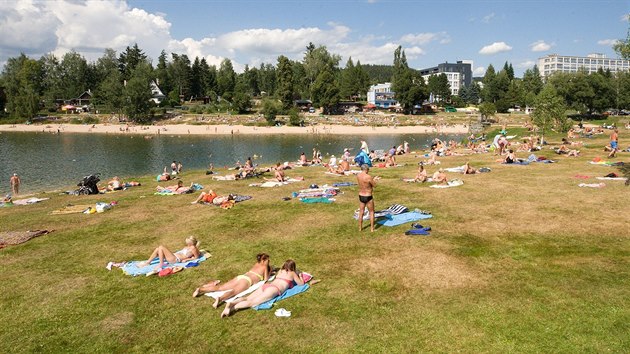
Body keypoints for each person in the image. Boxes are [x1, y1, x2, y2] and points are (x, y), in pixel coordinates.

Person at [221, 259, 304, 318]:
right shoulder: (292, 273)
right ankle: (232, 308)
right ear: (293, 267)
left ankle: (232, 303)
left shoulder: (280, 271)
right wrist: (300, 276)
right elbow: (301, 284)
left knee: (247, 298)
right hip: (274, 289)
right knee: (252, 303)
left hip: (266, 286)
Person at [193, 253, 271, 308]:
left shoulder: (256, 264)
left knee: (220, 287)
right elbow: (266, 279)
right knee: (234, 291)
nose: (269, 261)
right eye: (268, 260)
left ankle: (200, 289)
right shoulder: (264, 267)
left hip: (241, 277)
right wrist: (270, 270)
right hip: (247, 281)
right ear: (263, 261)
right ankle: (219, 299)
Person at [357, 164, 380, 232]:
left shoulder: (358, 175)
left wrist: (373, 179)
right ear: (366, 169)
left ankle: (360, 228)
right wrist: (375, 179)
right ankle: (372, 229)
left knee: (361, 212)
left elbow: (364, 183)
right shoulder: (368, 177)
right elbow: (374, 185)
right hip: (368, 195)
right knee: (371, 212)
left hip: (361, 195)